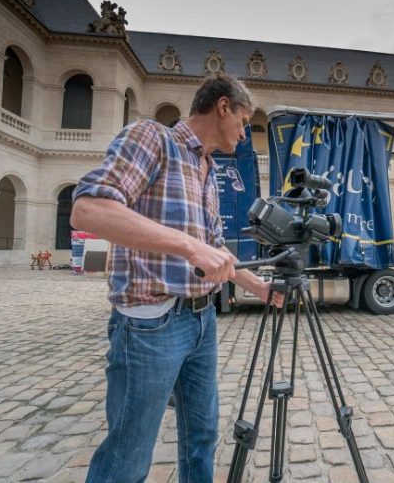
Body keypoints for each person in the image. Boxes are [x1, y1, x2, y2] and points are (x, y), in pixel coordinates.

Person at [70, 74, 283, 483]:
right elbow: (89, 209)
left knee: (201, 437)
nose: (244, 133)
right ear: (223, 106)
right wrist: (188, 246)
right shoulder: (152, 137)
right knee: (128, 455)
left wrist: (258, 286)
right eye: (243, 120)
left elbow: (215, 250)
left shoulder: (206, 168)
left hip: (202, 322)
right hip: (152, 323)